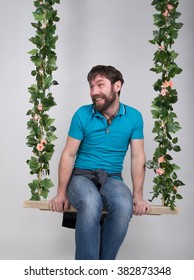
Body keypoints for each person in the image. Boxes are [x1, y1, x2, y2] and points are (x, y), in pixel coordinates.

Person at [50, 65, 150, 260]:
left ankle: (104, 267)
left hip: (112, 177)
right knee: (90, 201)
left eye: (100, 85)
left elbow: (138, 157)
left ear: (117, 86)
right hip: (81, 176)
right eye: (91, 86)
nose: (94, 92)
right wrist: (61, 193)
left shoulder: (134, 117)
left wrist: (138, 196)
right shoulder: (82, 114)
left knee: (123, 203)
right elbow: (68, 154)